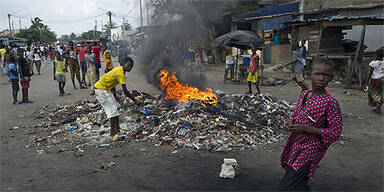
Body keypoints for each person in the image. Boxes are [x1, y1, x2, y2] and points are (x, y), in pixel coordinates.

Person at [278, 59, 342, 191]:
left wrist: (307, 129)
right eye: (317, 74)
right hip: (295, 145)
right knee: (299, 184)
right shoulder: (304, 95)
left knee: (287, 187)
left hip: (310, 150)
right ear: (309, 74)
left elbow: (335, 132)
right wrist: (291, 123)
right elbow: (296, 115)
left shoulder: (330, 102)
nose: (321, 78)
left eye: (326, 75)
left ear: (331, 77)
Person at [94, 56, 140, 136]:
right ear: (124, 64)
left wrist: (115, 95)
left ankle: (117, 129)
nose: (130, 68)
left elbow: (112, 82)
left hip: (105, 89)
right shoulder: (120, 73)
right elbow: (125, 91)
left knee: (116, 106)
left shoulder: (120, 69)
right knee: (112, 110)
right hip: (100, 90)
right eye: (128, 65)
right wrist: (135, 100)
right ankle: (112, 132)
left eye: (131, 66)